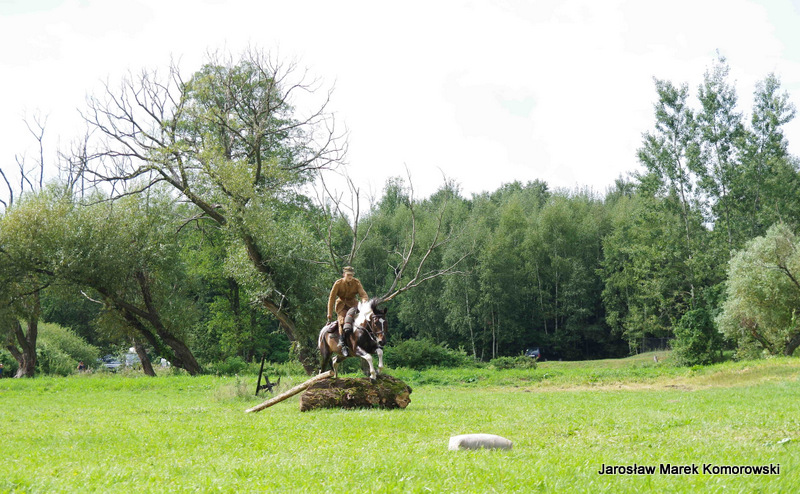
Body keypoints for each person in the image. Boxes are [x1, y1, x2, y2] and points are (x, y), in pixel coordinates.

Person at [327, 266, 369, 357]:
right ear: (344, 274)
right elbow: (331, 299)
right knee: (342, 321)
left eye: (351, 275)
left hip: (353, 305)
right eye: (348, 274)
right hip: (341, 306)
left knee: (363, 320)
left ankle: (366, 340)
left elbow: (363, 294)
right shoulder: (338, 283)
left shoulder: (356, 283)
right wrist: (329, 314)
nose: (350, 276)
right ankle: (343, 344)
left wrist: (364, 301)